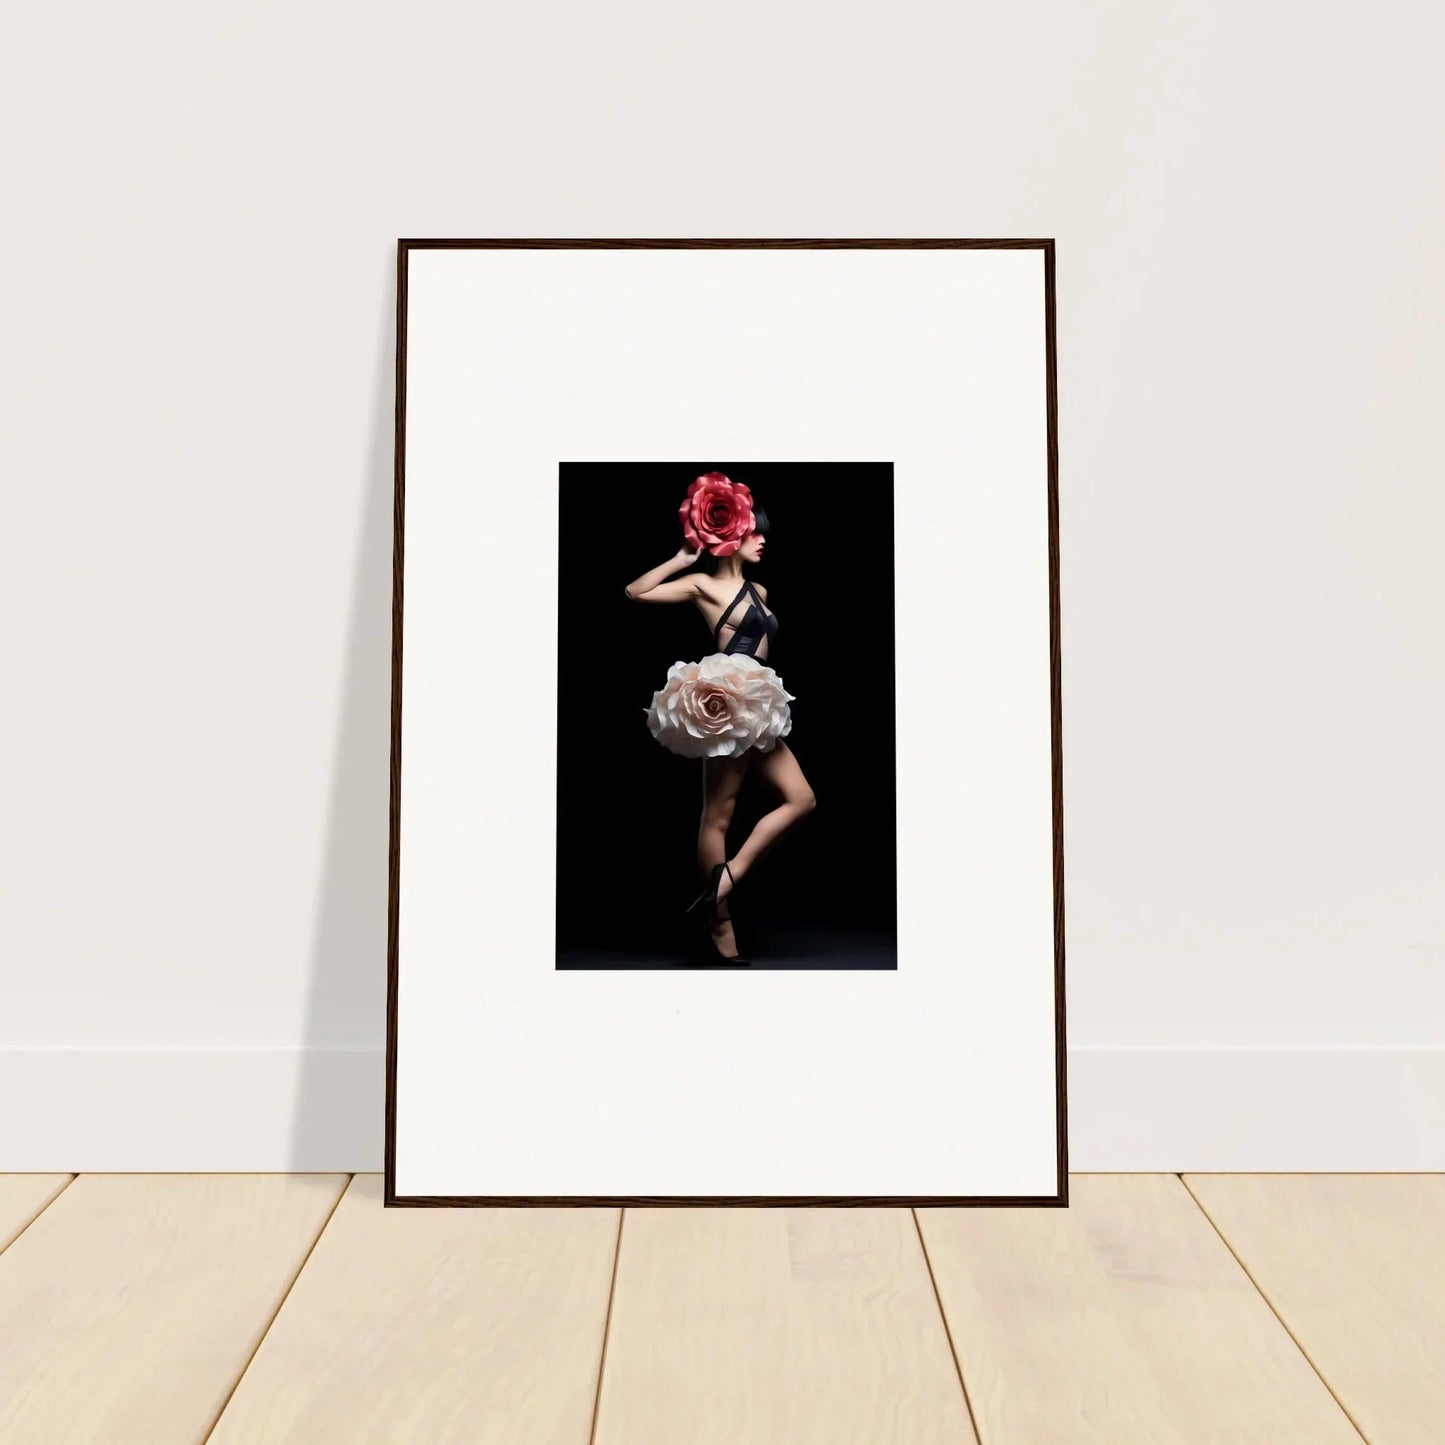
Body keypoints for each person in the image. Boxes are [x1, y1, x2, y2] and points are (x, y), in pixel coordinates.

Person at [625, 472, 816, 965]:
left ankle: (725, 879)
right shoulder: (703, 585)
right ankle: (721, 921)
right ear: (732, 536)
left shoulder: (761, 591)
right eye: (755, 532)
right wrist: (682, 559)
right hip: (726, 704)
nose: (762, 540)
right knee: (719, 816)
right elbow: (635, 592)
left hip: (758, 704)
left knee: (801, 799)